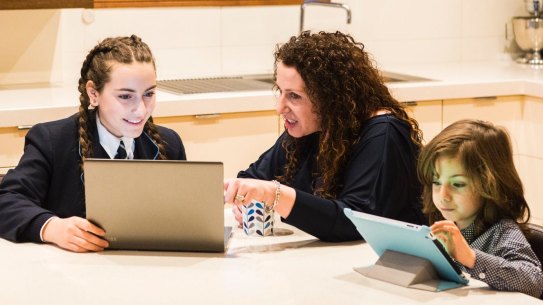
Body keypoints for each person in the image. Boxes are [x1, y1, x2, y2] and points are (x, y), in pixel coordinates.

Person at [224, 31, 425, 242]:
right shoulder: (314, 127)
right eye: (280, 91)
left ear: (330, 98)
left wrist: (274, 195)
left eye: (294, 96)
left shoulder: (383, 133)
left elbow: (355, 222)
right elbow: (252, 179)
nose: (279, 107)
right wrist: (245, 198)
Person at [0, 35, 187, 253]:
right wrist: (53, 227)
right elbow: (6, 201)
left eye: (148, 94)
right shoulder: (52, 140)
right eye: (126, 96)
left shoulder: (169, 144)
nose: (141, 110)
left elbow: (182, 219)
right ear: (93, 93)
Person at [418, 119, 543, 298]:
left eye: (458, 184)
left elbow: (533, 281)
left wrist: (470, 257)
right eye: (436, 182)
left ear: (490, 185)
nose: (443, 195)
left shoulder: (502, 232)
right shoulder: (443, 223)